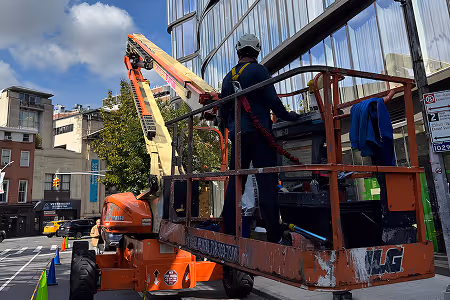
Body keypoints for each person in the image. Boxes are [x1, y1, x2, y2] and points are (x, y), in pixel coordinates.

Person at [219, 34, 300, 244]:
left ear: (238, 51)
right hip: (260, 135)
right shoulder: (259, 71)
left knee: (236, 184)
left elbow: (222, 112)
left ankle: (227, 232)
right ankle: (275, 235)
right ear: (257, 51)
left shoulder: (228, 78)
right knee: (267, 183)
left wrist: (229, 130)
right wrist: (290, 116)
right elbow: (273, 101)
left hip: (238, 137)